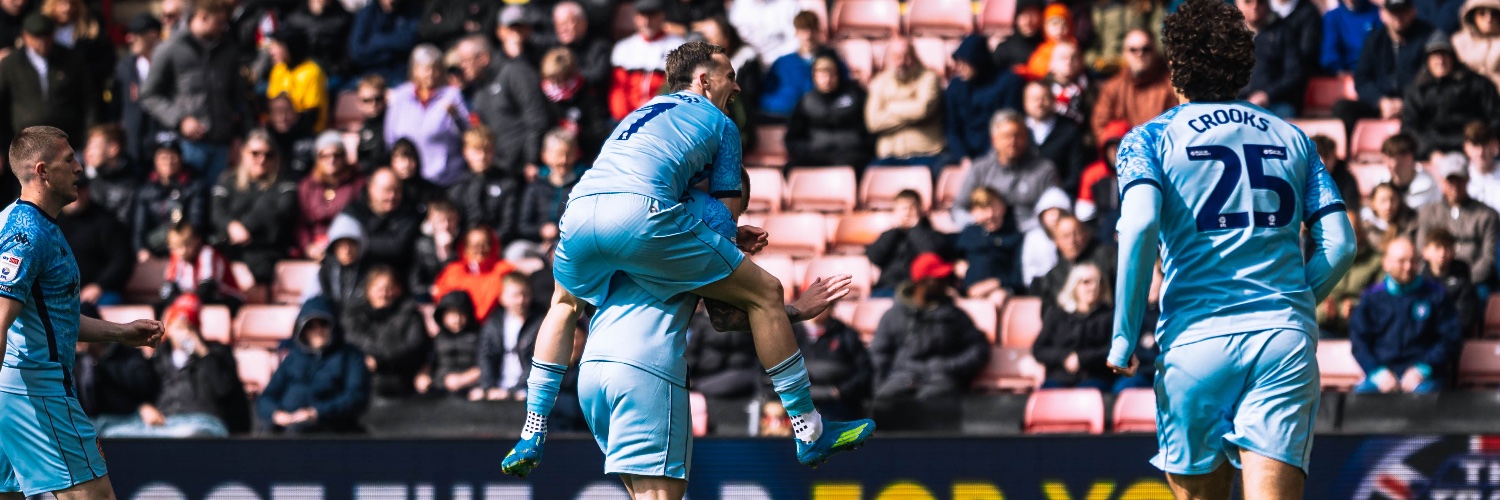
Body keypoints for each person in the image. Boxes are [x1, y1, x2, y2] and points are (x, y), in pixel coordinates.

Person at [500, 43, 875, 490]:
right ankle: (808, 427)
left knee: (561, 304)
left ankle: (532, 428)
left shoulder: (638, 118)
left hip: (580, 213)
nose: (737, 85)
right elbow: (725, 296)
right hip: (646, 351)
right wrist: (788, 302)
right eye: (731, 75)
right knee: (768, 292)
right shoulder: (720, 124)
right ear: (703, 81)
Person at [1105, 0, 1357, 496]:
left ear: (1174, 68)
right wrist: (1293, 298)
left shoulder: (1148, 139)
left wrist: (1123, 336)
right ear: (1244, 65)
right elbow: (1342, 243)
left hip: (1194, 343)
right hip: (1281, 341)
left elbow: (1137, 228)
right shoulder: (1294, 137)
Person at [0, 126, 165, 500]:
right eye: (69, 160)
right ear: (42, 171)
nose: (79, 167)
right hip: (38, 392)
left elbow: (52, 319)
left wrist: (121, 333)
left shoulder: (17, 221)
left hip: (12, 391)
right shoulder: (28, 234)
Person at [99, 294, 245, 437]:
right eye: (178, 327)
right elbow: (140, 389)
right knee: (114, 434)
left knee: (189, 435)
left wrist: (201, 351)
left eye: (190, 327)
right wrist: (143, 407)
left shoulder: (218, 353)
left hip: (203, 421)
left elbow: (224, 389)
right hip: (165, 423)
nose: (184, 333)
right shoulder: (159, 356)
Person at [141, 0, 251, 185]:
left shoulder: (228, 51)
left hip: (222, 144)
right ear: (202, 17)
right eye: (219, 23)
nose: (223, 28)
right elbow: (149, 95)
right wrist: (180, 120)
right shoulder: (170, 49)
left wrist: (240, 137)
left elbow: (239, 99)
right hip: (186, 146)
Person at [869, 252, 990, 401]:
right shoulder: (894, 315)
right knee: (886, 402)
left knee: (936, 398)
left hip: (941, 381)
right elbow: (879, 355)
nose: (945, 282)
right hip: (901, 378)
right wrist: (877, 390)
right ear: (923, 283)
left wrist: (950, 367)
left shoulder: (954, 315)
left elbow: (978, 348)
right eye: (938, 278)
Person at [1348, 237, 1460, 393]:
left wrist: (1423, 369)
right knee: (1359, 399)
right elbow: (1359, 342)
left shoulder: (1436, 296)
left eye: (1413, 261)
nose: (1408, 267)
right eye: (1401, 261)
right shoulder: (1371, 299)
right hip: (1382, 376)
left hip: (1424, 378)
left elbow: (1450, 338)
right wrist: (1377, 372)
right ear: (1386, 263)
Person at [256, 295, 371, 434]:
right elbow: (267, 396)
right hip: (286, 421)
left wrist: (316, 412)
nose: (317, 331)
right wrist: (276, 414)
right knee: (266, 433)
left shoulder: (351, 356)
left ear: (333, 326)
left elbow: (356, 397)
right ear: (302, 330)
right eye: (310, 326)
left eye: (323, 324)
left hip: (329, 426)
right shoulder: (293, 357)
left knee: (297, 432)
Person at [1334, 0, 1435, 134]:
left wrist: (1406, 102)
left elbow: (1430, 78)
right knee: (1342, 108)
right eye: (1393, 12)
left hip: (1415, 105)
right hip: (1380, 104)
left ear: (1412, 12)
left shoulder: (1428, 38)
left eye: (1403, 11)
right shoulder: (1374, 40)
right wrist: (1380, 101)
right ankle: (1348, 152)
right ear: (1383, 14)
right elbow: (1362, 78)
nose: (1398, 17)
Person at [950, 110, 1060, 232]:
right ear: (994, 140)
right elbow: (958, 209)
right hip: (987, 233)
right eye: (1007, 136)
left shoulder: (1045, 169)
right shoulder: (980, 169)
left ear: (1027, 137)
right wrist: (975, 221)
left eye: (1018, 135)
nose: (1012, 142)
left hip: (1030, 233)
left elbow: (1054, 213)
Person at [211, 130, 297, 285]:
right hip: (230, 246)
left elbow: (284, 210)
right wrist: (231, 226)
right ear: (244, 153)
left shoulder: (285, 182)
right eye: (255, 153)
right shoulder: (227, 180)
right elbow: (217, 212)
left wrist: (246, 227)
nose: (262, 159)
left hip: (266, 251)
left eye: (268, 154)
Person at [0, 13, 96, 152]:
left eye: (46, 37)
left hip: (67, 141)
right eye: (37, 37)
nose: (42, 43)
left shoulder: (71, 60)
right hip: (26, 146)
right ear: (25, 36)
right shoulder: (12, 64)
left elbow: (88, 99)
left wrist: (90, 137)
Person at [385, 44, 471, 187]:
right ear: (414, 70)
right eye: (425, 69)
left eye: (435, 68)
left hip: (446, 177)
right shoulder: (401, 95)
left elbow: (469, 133)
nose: (430, 73)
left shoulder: (452, 95)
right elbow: (390, 137)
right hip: (408, 178)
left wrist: (455, 115)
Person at [1403, 36, 1500, 157]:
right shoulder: (1416, 91)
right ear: (1427, 60)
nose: (1440, 61)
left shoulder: (1478, 84)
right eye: (1435, 56)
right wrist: (1429, 151)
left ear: (1453, 58)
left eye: (1444, 55)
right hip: (1433, 152)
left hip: (1475, 150)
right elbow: (1409, 128)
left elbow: (1495, 118)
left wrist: (1481, 143)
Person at [341, 265, 429, 398]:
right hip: (360, 382)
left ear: (398, 290)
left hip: (401, 382)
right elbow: (351, 340)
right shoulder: (353, 314)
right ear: (368, 290)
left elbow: (414, 347)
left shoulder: (411, 314)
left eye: (389, 288)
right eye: (379, 289)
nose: (384, 294)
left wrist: (379, 360)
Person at [1415, 153, 1500, 286]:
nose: (1455, 186)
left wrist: (1463, 281)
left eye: (1459, 180)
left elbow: (1489, 258)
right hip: (1435, 281)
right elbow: (1421, 250)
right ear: (1442, 181)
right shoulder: (1429, 213)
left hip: (1473, 282)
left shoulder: (1486, 215)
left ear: (1468, 179)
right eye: (1450, 181)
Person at [474, 37, 552, 176]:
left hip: (529, 169)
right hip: (502, 168)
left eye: (466, 60)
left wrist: (531, 159)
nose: (462, 66)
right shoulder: (478, 89)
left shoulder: (514, 72)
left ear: (483, 58)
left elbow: (535, 116)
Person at [865, 37, 944, 172]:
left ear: (915, 56)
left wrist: (890, 107)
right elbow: (873, 122)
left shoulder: (929, 78)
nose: (901, 62)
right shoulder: (879, 82)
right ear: (888, 59)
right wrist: (911, 107)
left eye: (907, 56)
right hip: (889, 156)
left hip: (926, 153)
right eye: (896, 57)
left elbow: (922, 110)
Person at [1034, 262, 1117, 391]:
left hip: (1095, 378)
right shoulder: (1056, 314)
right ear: (1074, 285)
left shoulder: (1109, 315)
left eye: (1099, 282)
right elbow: (1039, 349)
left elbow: (1113, 350)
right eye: (1086, 282)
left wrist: (1082, 358)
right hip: (1059, 377)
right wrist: (1064, 357)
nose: (1094, 287)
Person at [784, 50, 872, 171]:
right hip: (817, 155)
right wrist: (809, 149)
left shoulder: (856, 96)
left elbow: (869, 129)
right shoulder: (806, 102)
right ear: (814, 76)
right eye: (822, 74)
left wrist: (860, 146)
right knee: (791, 169)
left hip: (851, 156)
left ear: (838, 74)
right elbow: (793, 138)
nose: (827, 79)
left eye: (831, 73)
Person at [945, 34, 1024, 164]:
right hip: (965, 155)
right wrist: (963, 158)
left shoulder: (1009, 82)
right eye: (958, 62)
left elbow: (1010, 122)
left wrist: (991, 159)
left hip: (999, 154)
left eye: (965, 62)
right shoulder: (955, 87)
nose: (959, 67)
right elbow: (952, 129)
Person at [1091, 29, 1178, 140]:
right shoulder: (1113, 87)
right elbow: (1100, 125)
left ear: (1155, 51)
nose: (1140, 54)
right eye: (1133, 50)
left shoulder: (1170, 85)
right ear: (1124, 53)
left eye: (1146, 49)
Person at [609, 0, 687, 121]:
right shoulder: (623, 47)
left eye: (652, 15)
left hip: (663, 117)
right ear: (635, 18)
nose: (647, 21)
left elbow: (676, 88)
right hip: (627, 119)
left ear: (662, 16)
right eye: (642, 15)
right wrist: (624, 119)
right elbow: (618, 91)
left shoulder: (677, 45)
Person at [59, 178, 131, 306]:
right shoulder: (50, 220)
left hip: (101, 293)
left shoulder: (105, 221)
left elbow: (122, 260)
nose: (77, 195)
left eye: (81, 190)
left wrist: (99, 285)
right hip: (59, 291)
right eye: (72, 190)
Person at [296, 131, 366, 261]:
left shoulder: (357, 183)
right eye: (325, 156)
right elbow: (301, 223)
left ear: (344, 157)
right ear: (317, 158)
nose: (331, 160)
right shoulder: (307, 185)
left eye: (336, 155)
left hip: (347, 248)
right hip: (315, 247)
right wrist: (308, 247)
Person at [133, 140, 206, 261]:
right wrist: (141, 250)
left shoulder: (194, 186)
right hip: (155, 249)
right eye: (163, 157)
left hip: (185, 248)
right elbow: (139, 228)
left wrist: (178, 243)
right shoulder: (145, 190)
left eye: (173, 156)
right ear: (155, 160)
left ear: (181, 158)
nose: (168, 162)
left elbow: (196, 221)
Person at [339, 168, 423, 274]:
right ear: (371, 188)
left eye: (397, 190)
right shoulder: (353, 210)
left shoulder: (409, 214)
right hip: (358, 274)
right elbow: (342, 241)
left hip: (398, 274)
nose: (392, 196)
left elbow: (398, 247)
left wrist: (359, 243)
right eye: (386, 190)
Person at [1317, 209, 1385, 338]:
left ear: (1361, 234)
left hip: (1362, 328)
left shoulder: (1376, 262)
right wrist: (1326, 311)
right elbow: (1309, 304)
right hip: (1327, 327)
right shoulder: (1324, 259)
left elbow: (1381, 300)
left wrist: (1356, 308)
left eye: (1352, 232)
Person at [866, 190, 947, 297]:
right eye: (903, 208)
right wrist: (895, 231)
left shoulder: (932, 235)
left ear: (920, 210)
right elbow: (874, 256)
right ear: (895, 211)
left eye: (912, 208)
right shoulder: (889, 235)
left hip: (919, 290)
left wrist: (915, 228)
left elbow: (930, 254)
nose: (907, 212)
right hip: (888, 287)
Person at [446, 126, 523, 240]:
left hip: (500, 245)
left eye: (487, 150)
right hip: (464, 247)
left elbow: (509, 225)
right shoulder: (457, 187)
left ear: (494, 151)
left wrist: (489, 244)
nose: (482, 156)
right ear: (466, 152)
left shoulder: (507, 182)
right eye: (476, 151)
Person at [476, 273, 542, 400]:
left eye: (525, 294)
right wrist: (488, 387)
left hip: (527, 389)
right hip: (497, 388)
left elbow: (536, 361)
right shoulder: (493, 323)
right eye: (515, 295)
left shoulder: (540, 322)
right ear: (502, 297)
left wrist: (518, 389)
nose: (521, 300)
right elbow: (486, 356)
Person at [954, 186, 1026, 301]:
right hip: (968, 290)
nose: (990, 215)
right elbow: (955, 257)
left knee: (997, 298)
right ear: (974, 212)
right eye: (983, 209)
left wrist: (993, 284)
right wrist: (958, 265)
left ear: (1003, 207)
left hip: (1000, 290)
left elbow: (1018, 275)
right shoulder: (970, 232)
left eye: (994, 207)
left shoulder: (1015, 236)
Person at [1238, 0, 1309, 118]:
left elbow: (1294, 74)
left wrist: (1267, 94)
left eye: (1260, 2)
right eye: (1248, 2)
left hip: (1275, 104)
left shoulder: (1284, 32)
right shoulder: (1228, 35)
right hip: (1236, 103)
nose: (1254, 6)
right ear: (1237, 3)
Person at [431, 226, 517, 323]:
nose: (480, 249)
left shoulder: (504, 270)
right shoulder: (452, 271)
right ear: (466, 248)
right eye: (475, 245)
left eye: (485, 244)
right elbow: (441, 298)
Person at [518, 129, 583, 246]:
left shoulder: (581, 186)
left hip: (571, 246)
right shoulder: (536, 186)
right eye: (559, 155)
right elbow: (523, 225)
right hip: (537, 246)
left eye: (568, 154)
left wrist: (558, 233)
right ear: (545, 156)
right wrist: (541, 230)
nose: (564, 160)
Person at [1022, 81, 1088, 195]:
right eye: (1034, 99)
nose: (1039, 103)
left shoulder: (1070, 131)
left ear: (1053, 100)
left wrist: (1056, 193)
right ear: (1024, 102)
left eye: (1044, 98)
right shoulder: (1017, 131)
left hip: (1058, 196)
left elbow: (1076, 174)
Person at [758, 10, 825, 121]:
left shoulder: (832, 60)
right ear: (796, 32)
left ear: (819, 31)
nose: (808, 35)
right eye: (803, 30)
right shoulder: (782, 63)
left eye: (812, 29)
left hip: (819, 121)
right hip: (782, 119)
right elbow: (766, 95)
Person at [116, 13, 165, 163]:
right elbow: (117, 104)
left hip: (164, 144)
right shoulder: (125, 67)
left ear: (153, 34)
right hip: (134, 146)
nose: (129, 39)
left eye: (136, 34)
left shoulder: (169, 63)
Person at [161, 223, 242, 309]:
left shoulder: (207, 253)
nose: (183, 251)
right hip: (196, 300)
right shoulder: (175, 257)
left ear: (197, 239)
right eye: (177, 246)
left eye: (188, 245)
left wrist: (184, 303)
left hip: (227, 300)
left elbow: (207, 289)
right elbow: (167, 290)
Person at [417, 289, 482, 396]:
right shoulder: (438, 338)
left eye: (461, 313)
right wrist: (423, 376)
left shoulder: (479, 335)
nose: (457, 319)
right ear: (442, 315)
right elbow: (429, 362)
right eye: (452, 314)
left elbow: (487, 365)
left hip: (470, 390)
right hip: (439, 388)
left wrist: (463, 379)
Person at [266, 28, 330, 133]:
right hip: (282, 130)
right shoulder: (278, 70)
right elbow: (272, 106)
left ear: (290, 47)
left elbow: (311, 115)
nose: (271, 51)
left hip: (309, 133)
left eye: (276, 46)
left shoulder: (312, 72)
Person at [1421, 228, 1480, 337]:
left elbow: (1464, 321)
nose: (1442, 253)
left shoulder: (1463, 282)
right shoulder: (1418, 282)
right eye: (1437, 247)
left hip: (1453, 340)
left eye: (1447, 247)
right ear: (1425, 252)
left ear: (1453, 251)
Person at [303, 213, 366, 311]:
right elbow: (311, 303)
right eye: (341, 245)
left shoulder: (369, 272)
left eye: (351, 244)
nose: (347, 250)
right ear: (333, 248)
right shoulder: (324, 272)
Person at [543, 1, 612, 89]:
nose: (563, 29)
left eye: (566, 23)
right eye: (558, 25)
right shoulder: (552, 48)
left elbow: (598, 77)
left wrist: (566, 74)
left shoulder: (599, 47)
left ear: (583, 23)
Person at [347, 0, 420, 84]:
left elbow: (408, 42)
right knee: (345, 95)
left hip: (398, 75)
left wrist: (376, 40)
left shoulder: (411, 12)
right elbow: (356, 53)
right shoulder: (366, 13)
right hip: (366, 73)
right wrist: (391, 51)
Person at [283, 0, 354, 83]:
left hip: (332, 74)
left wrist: (337, 69)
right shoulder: (294, 18)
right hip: (299, 72)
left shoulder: (344, 18)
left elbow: (348, 51)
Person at [81, 125, 138, 226]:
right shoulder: (88, 180)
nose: (89, 152)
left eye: (94, 147)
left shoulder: (131, 185)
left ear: (113, 149)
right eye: (88, 147)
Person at [410, 199, 460, 301]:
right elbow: (415, 284)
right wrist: (432, 289)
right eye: (441, 221)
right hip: (429, 298)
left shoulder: (464, 242)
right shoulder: (421, 246)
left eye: (450, 220)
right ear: (431, 221)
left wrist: (447, 252)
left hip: (456, 297)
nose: (446, 225)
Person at [727, 0, 799, 65]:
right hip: (748, 64)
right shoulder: (738, 5)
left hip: (779, 63)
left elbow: (795, 40)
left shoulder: (788, 4)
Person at [1380, 133, 1440, 209]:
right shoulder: (1380, 182)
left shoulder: (1429, 185)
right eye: (1385, 156)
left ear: (1408, 157)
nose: (1387, 162)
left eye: (1391, 156)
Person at [1321, 0, 1380, 75]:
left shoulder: (1377, 14)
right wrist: (1339, 70)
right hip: (1343, 76)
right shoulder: (1332, 17)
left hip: (1372, 74)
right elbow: (1329, 51)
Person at [1454, 0, 1500, 90]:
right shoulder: (1458, 42)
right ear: (1472, 15)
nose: (1488, 19)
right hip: (1467, 95)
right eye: (1482, 13)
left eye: (1494, 14)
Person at [387, 138, 443, 207]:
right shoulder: (388, 193)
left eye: (410, 158)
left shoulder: (431, 192)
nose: (406, 164)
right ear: (391, 161)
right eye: (400, 159)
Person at [416, 0, 494, 49]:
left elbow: (488, 29)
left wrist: (443, 23)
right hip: (445, 49)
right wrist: (461, 25)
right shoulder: (438, 2)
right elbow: (425, 30)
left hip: (475, 48)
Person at [1361, 182, 1417, 248]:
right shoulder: (1364, 228)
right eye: (1383, 201)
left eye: (1392, 200)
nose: (1388, 206)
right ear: (1373, 203)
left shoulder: (1410, 224)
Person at [993, 0, 1044, 70]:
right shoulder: (1004, 50)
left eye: (1033, 14)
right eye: (1023, 14)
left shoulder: (1050, 49)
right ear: (1015, 18)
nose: (1028, 21)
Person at [1465, 121, 1500, 211]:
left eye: (1485, 145)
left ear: (1495, 145)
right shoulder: (1460, 178)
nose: (1481, 152)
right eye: (1475, 145)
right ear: (1466, 147)